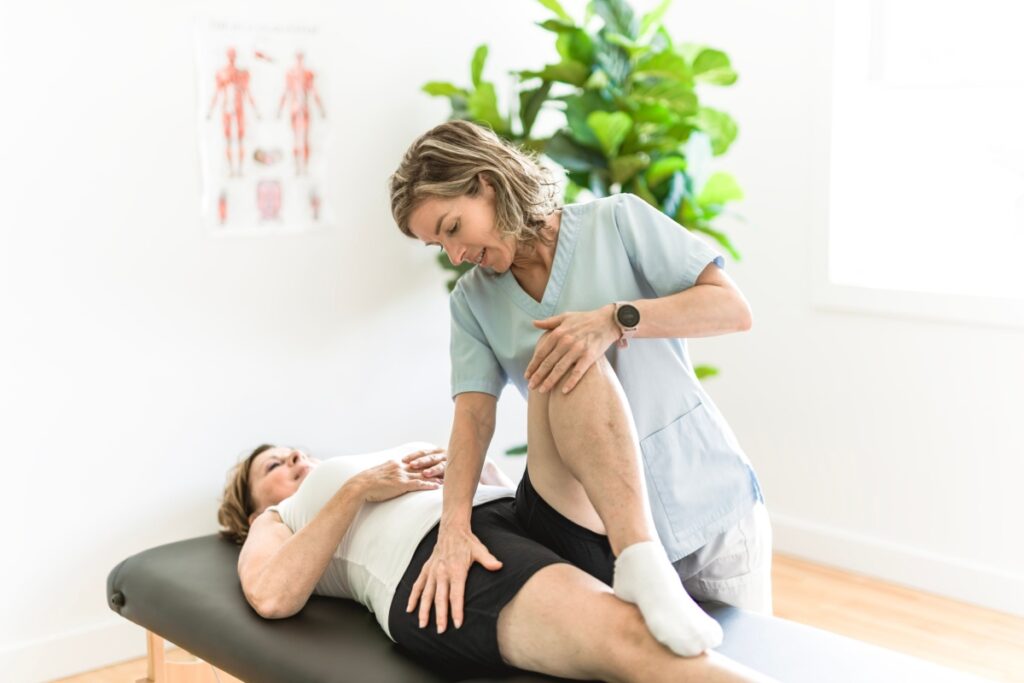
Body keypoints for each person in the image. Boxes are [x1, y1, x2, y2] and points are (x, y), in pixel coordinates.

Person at [388, 120, 772, 656]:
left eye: (452, 227)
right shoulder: (472, 302)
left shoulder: (618, 222)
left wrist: (617, 319)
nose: (453, 254)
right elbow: (473, 419)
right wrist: (454, 529)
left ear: (486, 184)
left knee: (746, 665)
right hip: (606, 537)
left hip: (709, 507)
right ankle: (641, 560)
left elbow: (733, 310)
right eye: (438, 243)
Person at [218, 438, 775, 683]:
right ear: (251, 509)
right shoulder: (278, 521)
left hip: (510, 513)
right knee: (629, 636)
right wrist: (360, 487)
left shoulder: (368, 459)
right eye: (273, 465)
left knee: (565, 369)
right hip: (438, 559)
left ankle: (640, 554)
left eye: (295, 451)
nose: (293, 457)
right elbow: (272, 596)